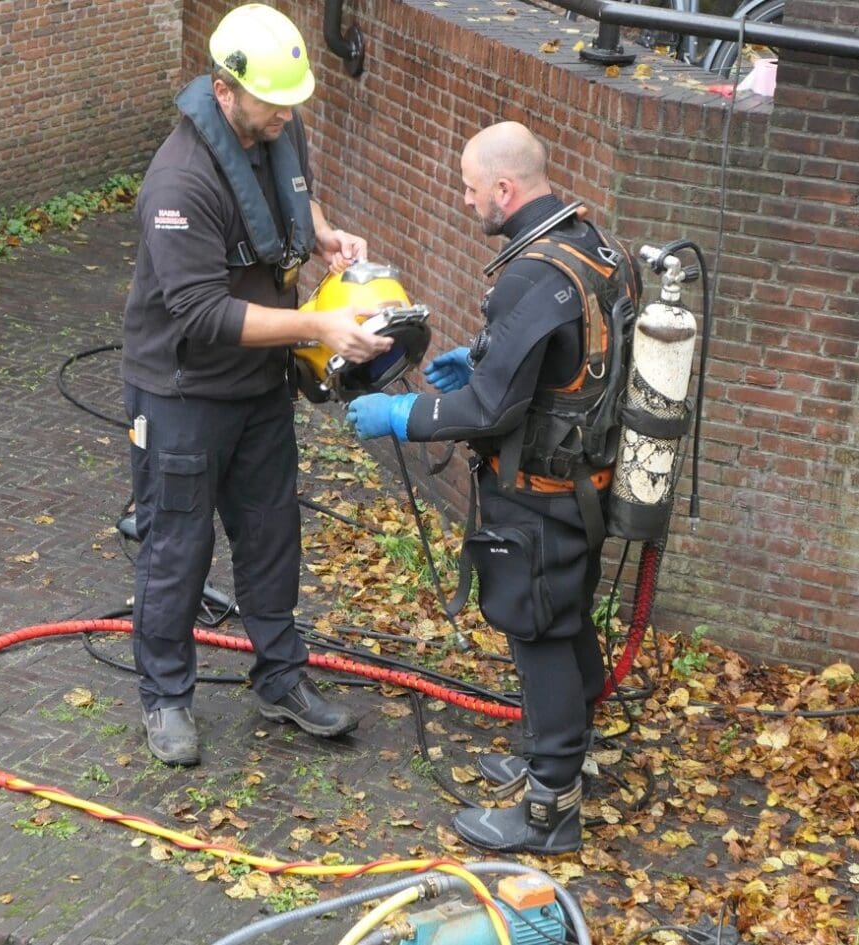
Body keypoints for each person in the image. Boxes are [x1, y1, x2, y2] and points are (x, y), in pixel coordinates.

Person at [346, 122, 640, 854]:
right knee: (563, 620)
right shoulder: (588, 242)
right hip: (583, 486)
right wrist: (478, 355)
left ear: (503, 190)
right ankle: (558, 746)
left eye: (470, 187)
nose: (465, 197)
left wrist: (402, 413)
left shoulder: (532, 272)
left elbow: (490, 409)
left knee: (535, 629)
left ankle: (548, 808)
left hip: (537, 495)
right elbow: (559, 355)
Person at [121, 3, 393, 767]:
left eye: (291, 102)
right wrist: (317, 326)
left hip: (256, 389)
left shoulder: (277, 124)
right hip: (181, 390)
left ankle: (280, 679)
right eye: (272, 102)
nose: (285, 114)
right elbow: (202, 312)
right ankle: (167, 697)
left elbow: (286, 187)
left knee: (272, 534)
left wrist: (322, 233)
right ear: (223, 88)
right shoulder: (176, 183)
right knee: (177, 545)